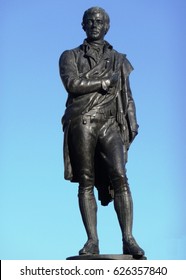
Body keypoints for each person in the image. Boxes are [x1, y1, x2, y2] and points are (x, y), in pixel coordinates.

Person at [59, 6, 145, 258]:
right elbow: (72, 84)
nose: (95, 24)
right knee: (86, 180)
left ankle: (128, 239)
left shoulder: (119, 59)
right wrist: (103, 82)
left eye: (99, 21)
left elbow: (127, 96)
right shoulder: (70, 55)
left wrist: (132, 122)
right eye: (90, 21)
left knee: (120, 176)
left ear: (107, 26)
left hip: (110, 123)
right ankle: (92, 241)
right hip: (82, 121)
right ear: (83, 25)